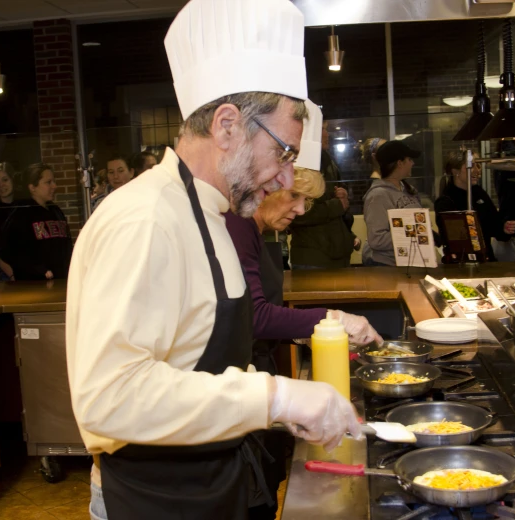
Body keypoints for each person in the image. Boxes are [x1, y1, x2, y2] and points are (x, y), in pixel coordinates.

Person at [66, 2, 362, 520]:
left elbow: (199, 362)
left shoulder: (213, 213)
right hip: (152, 497)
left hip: (208, 484)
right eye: (284, 153)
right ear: (227, 125)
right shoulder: (145, 219)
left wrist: (274, 410)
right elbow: (109, 396)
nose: (287, 179)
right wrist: (275, 397)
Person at [224, 101, 383, 519]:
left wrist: (302, 330)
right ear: (265, 186)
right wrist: (331, 319)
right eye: (292, 196)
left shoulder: (261, 232)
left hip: (255, 374)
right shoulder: (239, 227)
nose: (298, 209)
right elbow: (254, 315)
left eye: (305, 200)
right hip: (236, 386)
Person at [287, 116, 357, 269]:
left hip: (335, 255)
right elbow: (298, 213)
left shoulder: (326, 161)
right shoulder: (297, 164)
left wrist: (342, 198)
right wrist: (337, 205)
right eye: (322, 129)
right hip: (313, 259)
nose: (327, 134)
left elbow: (337, 205)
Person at [435, 152, 515, 262]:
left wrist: (504, 228)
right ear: (455, 171)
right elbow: (451, 238)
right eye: (471, 166)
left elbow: (494, 225)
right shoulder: (446, 201)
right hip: (459, 263)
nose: (477, 171)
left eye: (478, 165)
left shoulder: (479, 193)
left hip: (486, 260)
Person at [0, 164, 72, 281]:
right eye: (48, 182)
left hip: (61, 279)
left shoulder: (55, 210)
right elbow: (6, 249)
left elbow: (66, 245)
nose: (54, 186)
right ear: (32, 187)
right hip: (34, 284)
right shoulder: (21, 213)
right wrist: (38, 270)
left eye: (54, 181)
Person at [362, 141, 423, 266]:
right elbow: (376, 239)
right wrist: (415, 234)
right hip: (387, 266)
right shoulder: (378, 196)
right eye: (409, 159)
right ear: (400, 163)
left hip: (411, 262)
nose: (413, 163)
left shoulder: (408, 189)